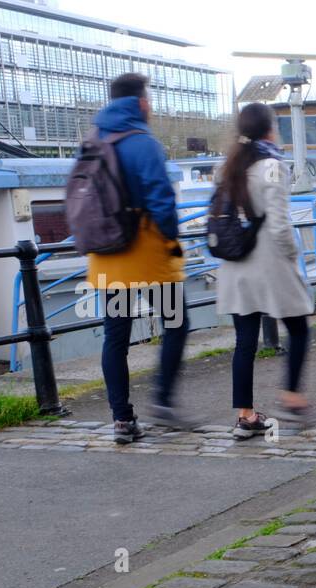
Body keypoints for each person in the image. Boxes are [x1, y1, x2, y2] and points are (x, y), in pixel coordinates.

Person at [85, 73, 191, 444]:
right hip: (147, 255)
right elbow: (162, 200)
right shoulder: (143, 143)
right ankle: (162, 399)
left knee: (115, 338)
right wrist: (173, 238)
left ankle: (122, 420)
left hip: (107, 255)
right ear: (141, 102)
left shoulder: (94, 139)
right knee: (176, 324)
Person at [215, 102, 316, 439]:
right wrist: (291, 253)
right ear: (269, 129)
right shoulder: (273, 166)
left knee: (244, 342)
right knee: (299, 328)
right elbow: (278, 220)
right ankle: (291, 395)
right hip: (269, 263)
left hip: (235, 265)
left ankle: (245, 416)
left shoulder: (228, 165)